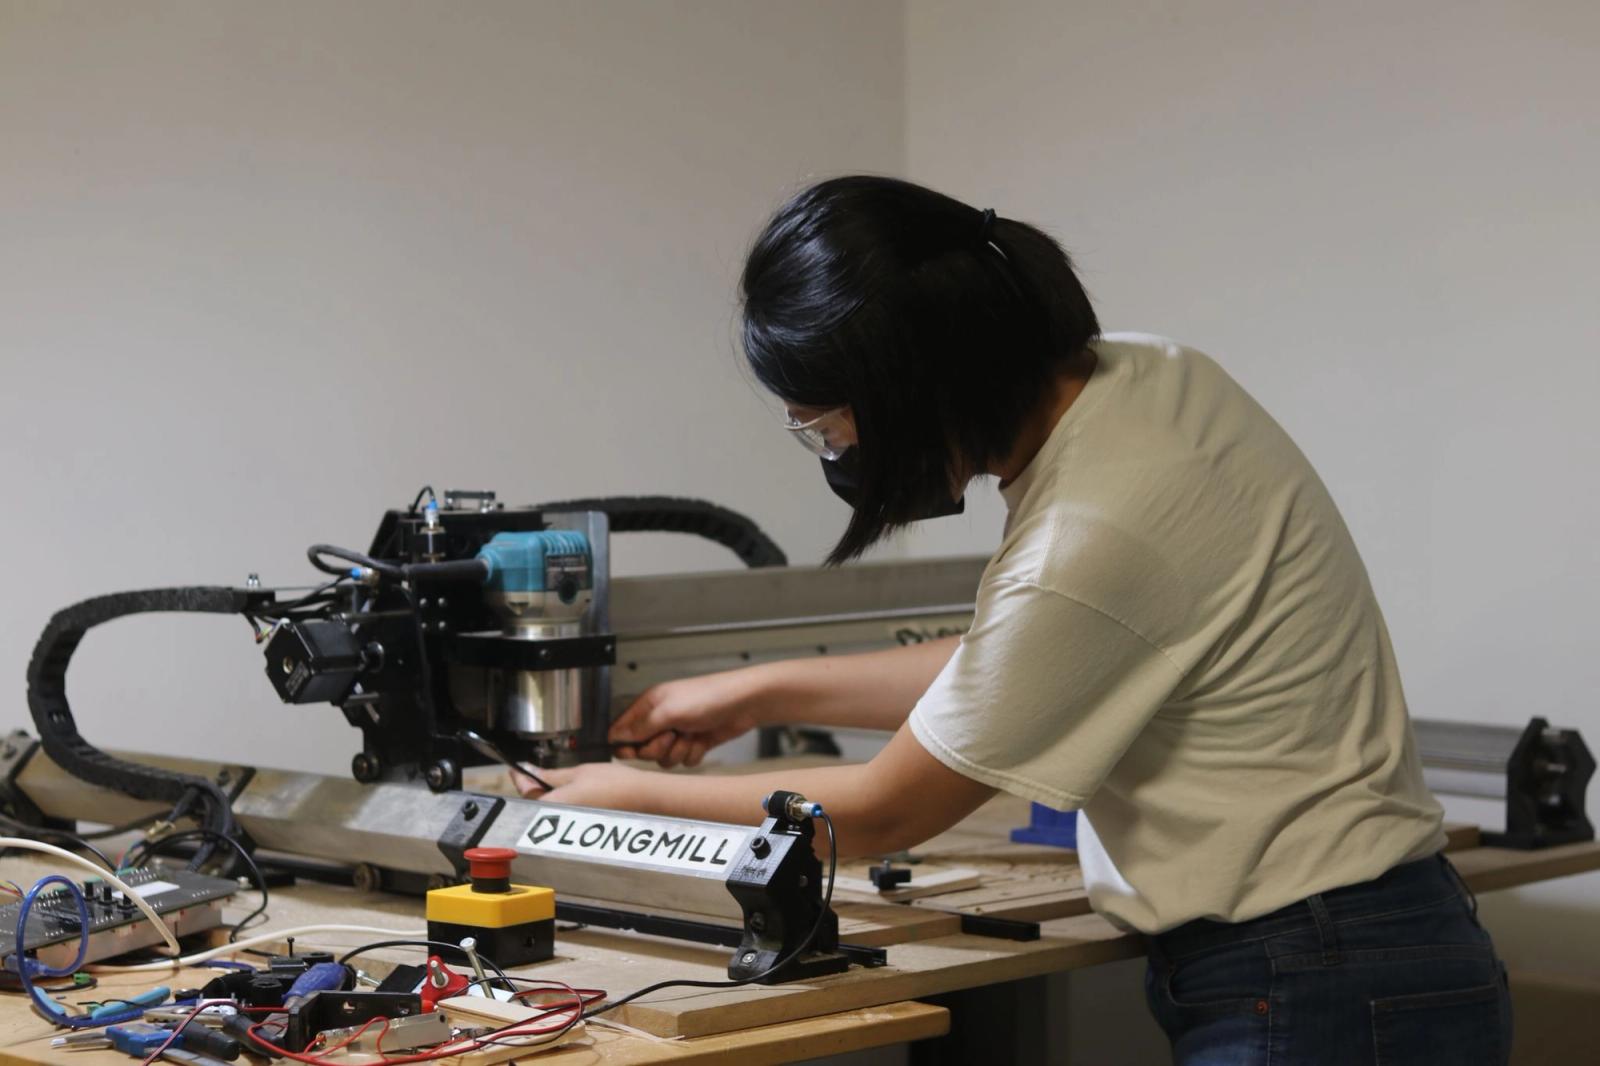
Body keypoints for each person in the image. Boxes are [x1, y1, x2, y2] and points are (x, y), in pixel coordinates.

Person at [517, 176, 1512, 1064]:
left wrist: (625, 797)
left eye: (826, 422)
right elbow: (1034, 659)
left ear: (911, 388)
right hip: (1360, 946)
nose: (836, 449)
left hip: (1315, 974)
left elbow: (885, 810)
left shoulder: (1094, 530)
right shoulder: (1149, 379)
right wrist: (752, 691)